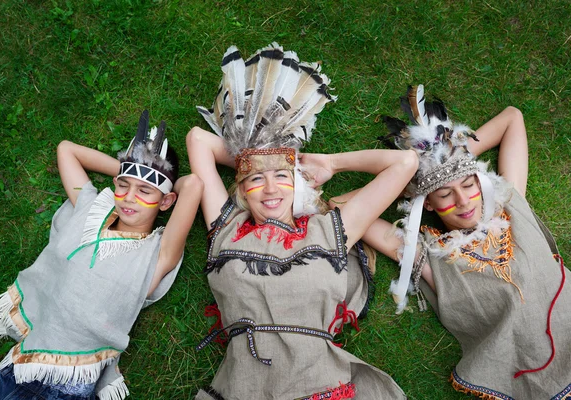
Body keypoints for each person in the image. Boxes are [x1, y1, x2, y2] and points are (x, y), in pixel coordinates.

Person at [187, 43, 416, 399]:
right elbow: (197, 140)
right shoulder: (225, 228)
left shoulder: (330, 231)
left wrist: (331, 164)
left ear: (298, 186)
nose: (269, 189)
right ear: (242, 191)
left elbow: (404, 164)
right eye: (255, 182)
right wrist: (258, 158)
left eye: (282, 179)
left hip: (320, 386)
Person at [324, 85, 570, 399]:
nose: (464, 200)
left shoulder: (510, 205)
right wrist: (411, 182)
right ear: (428, 205)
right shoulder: (424, 254)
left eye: (469, 186)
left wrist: (452, 158)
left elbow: (512, 119)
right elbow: (340, 207)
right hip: (529, 369)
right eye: (444, 195)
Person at [0, 110, 203, 400]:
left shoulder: (156, 253)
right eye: (123, 185)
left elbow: (193, 184)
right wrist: (127, 170)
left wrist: (163, 182)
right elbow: (67, 150)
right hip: (15, 369)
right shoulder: (91, 209)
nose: (130, 197)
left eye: (145, 191)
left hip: (68, 389)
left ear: (167, 201)